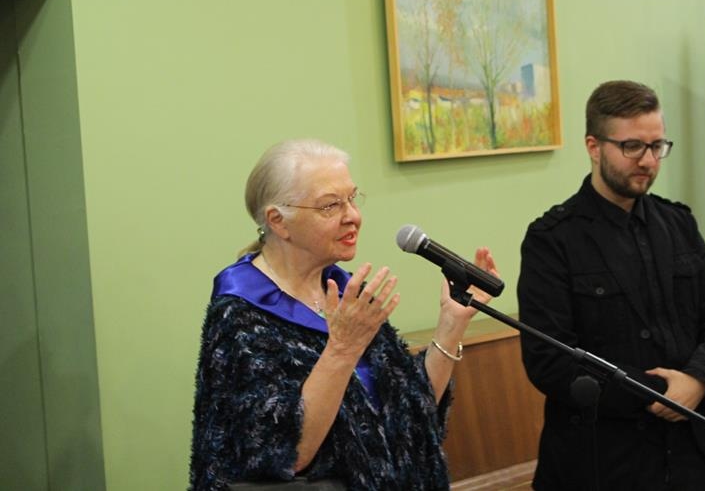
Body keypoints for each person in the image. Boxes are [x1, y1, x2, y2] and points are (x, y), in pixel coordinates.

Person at [188, 139, 497, 491]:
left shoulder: (343, 289)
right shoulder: (242, 312)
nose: (353, 216)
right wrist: (342, 350)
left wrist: (452, 324)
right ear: (278, 221)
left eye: (352, 198)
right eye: (330, 205)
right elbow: (283, 454)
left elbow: (414, 413)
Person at [517, 80, 705, 491]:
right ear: (593, 146)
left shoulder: (679, 223)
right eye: (633, 146)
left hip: (696, 457)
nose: (648, 161)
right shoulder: (552, 240)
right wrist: (659, 393)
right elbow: (550, 360)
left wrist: (697, 381)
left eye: (657, 146)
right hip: (604, 464)